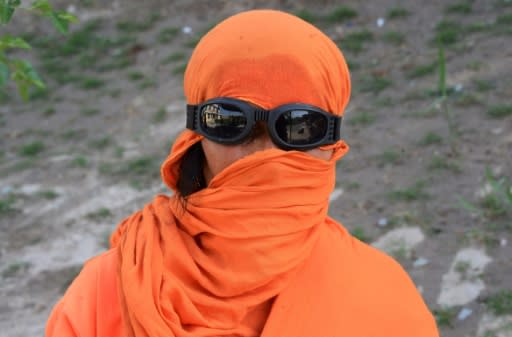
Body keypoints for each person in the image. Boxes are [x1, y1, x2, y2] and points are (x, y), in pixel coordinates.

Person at [45, 9, 439, 337]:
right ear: (195, 134)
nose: (262, 154)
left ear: (330, 143)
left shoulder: (384, 300)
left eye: (299, 127)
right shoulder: (110, 291)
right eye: (230, 120)